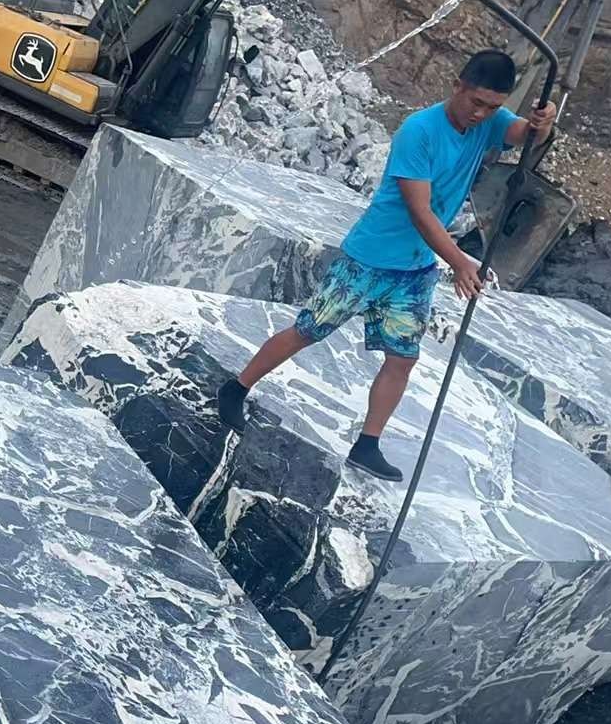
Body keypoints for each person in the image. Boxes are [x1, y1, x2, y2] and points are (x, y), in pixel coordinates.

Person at [215, 49, 557, 481]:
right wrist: (458, 262)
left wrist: (544, 122)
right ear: (458, 86)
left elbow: (525, 135)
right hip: (369, 259)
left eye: (492, 106)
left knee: (402, 358)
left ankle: (367, 444)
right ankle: (236, 388)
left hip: (414, 270)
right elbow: (420, 211)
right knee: (308, 330)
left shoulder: (488, 122)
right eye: (476, 102)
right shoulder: (419, 131)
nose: (481, 114)